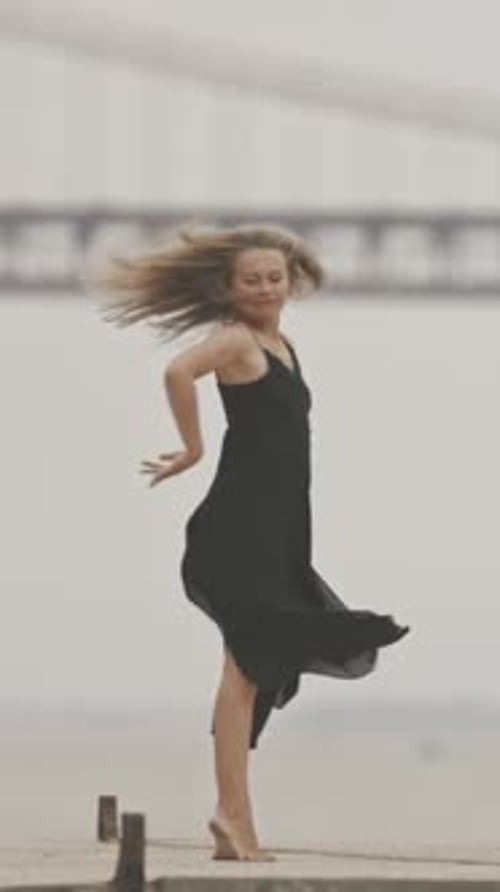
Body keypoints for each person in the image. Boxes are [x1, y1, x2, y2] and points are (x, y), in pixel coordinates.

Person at [98, 222, 409, 862]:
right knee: (245, 668)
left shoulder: (281, 342)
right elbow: (179, 370)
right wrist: (192, 446)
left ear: (289, 282)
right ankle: (231, 817)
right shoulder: (237, 340)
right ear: (230, 289)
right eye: (252, 280)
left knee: (252, 669)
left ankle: (234, 818)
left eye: (275, 278)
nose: (266, 288)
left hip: (277, 528)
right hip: (239, 528)